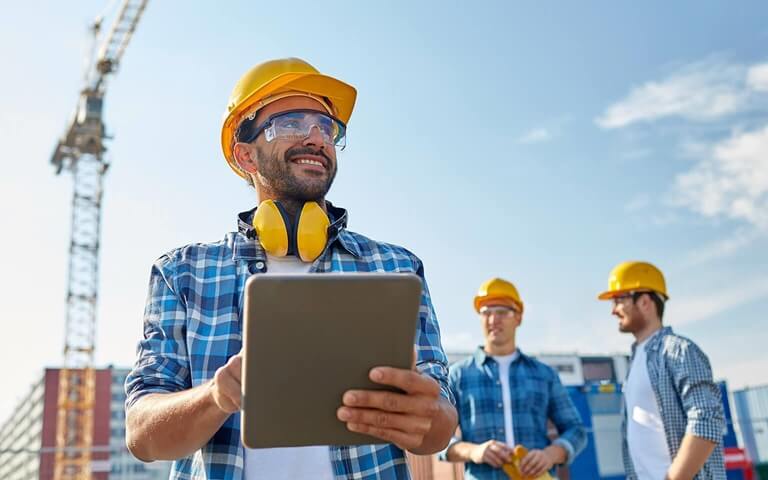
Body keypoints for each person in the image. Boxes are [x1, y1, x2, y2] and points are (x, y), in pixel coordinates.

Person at [124, 57, 457, 479]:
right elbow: (142, 434)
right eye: (292, 122)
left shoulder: (397, 268)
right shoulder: (183, 273)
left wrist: (426, 415)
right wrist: (216, 396)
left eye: (326, 127)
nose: (317, 137)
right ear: (246, 155)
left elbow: (440, 425)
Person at [440, 277, 586, 479]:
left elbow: (576, 430)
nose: (493, 320)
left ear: (518, 317)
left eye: (502, 312)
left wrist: (550, 455)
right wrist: (474, 452)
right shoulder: (458, 375)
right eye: (486, 312)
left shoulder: (544, 375)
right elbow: (438, 439)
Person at [597, 261, 726, 480]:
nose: (613, 310)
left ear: (645, 302)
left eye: (619, 300)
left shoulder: (679, 351)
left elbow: (707, 418)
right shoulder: (637, 360)